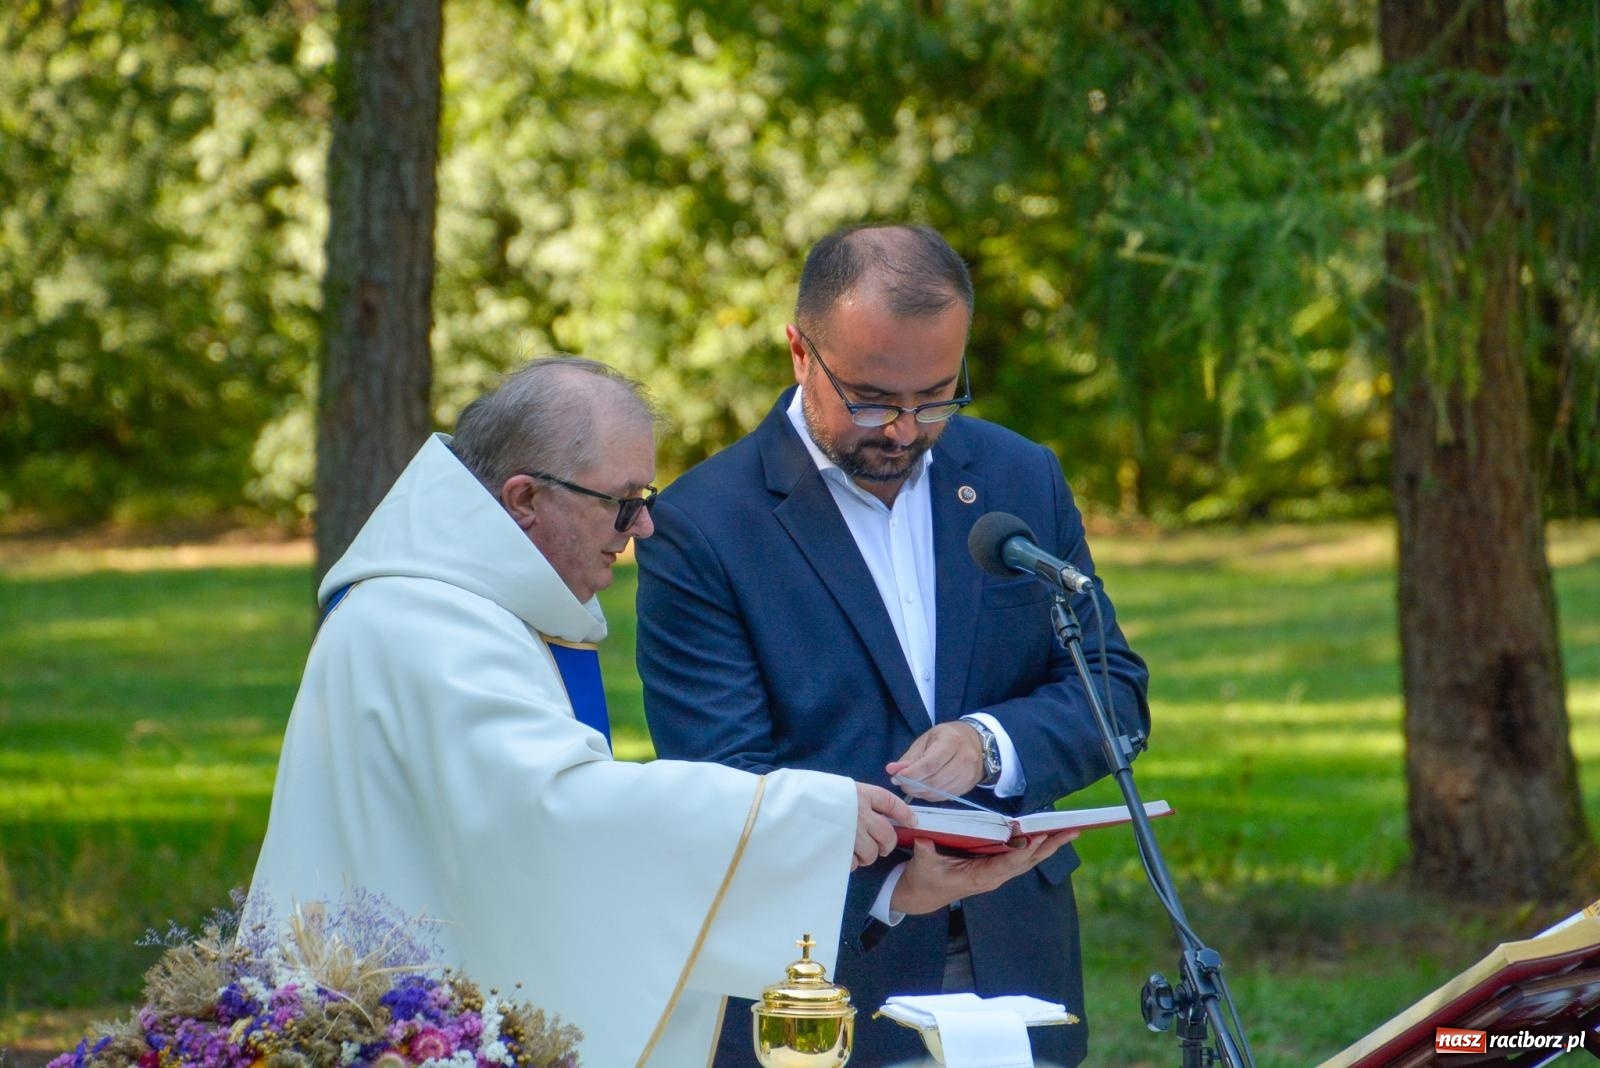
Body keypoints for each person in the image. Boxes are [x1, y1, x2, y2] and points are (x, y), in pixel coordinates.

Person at [248, 357, 938, 1067]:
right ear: (523, 499)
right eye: (621, 500)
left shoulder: (466, 607)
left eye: (647, 497)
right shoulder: (427, 622)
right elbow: (556, 811)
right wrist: (807, 816)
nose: (640, 525)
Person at [636, 224, 1152, 1066]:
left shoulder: (1021, 477)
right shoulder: (702, 526)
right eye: (872, 398)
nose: (907, 429)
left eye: (939, 396)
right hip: (822, 983)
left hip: (1016, 960)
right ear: (800, 351)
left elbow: (1111, 687)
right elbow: (724, 784)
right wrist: (891, 891)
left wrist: (991, 746)